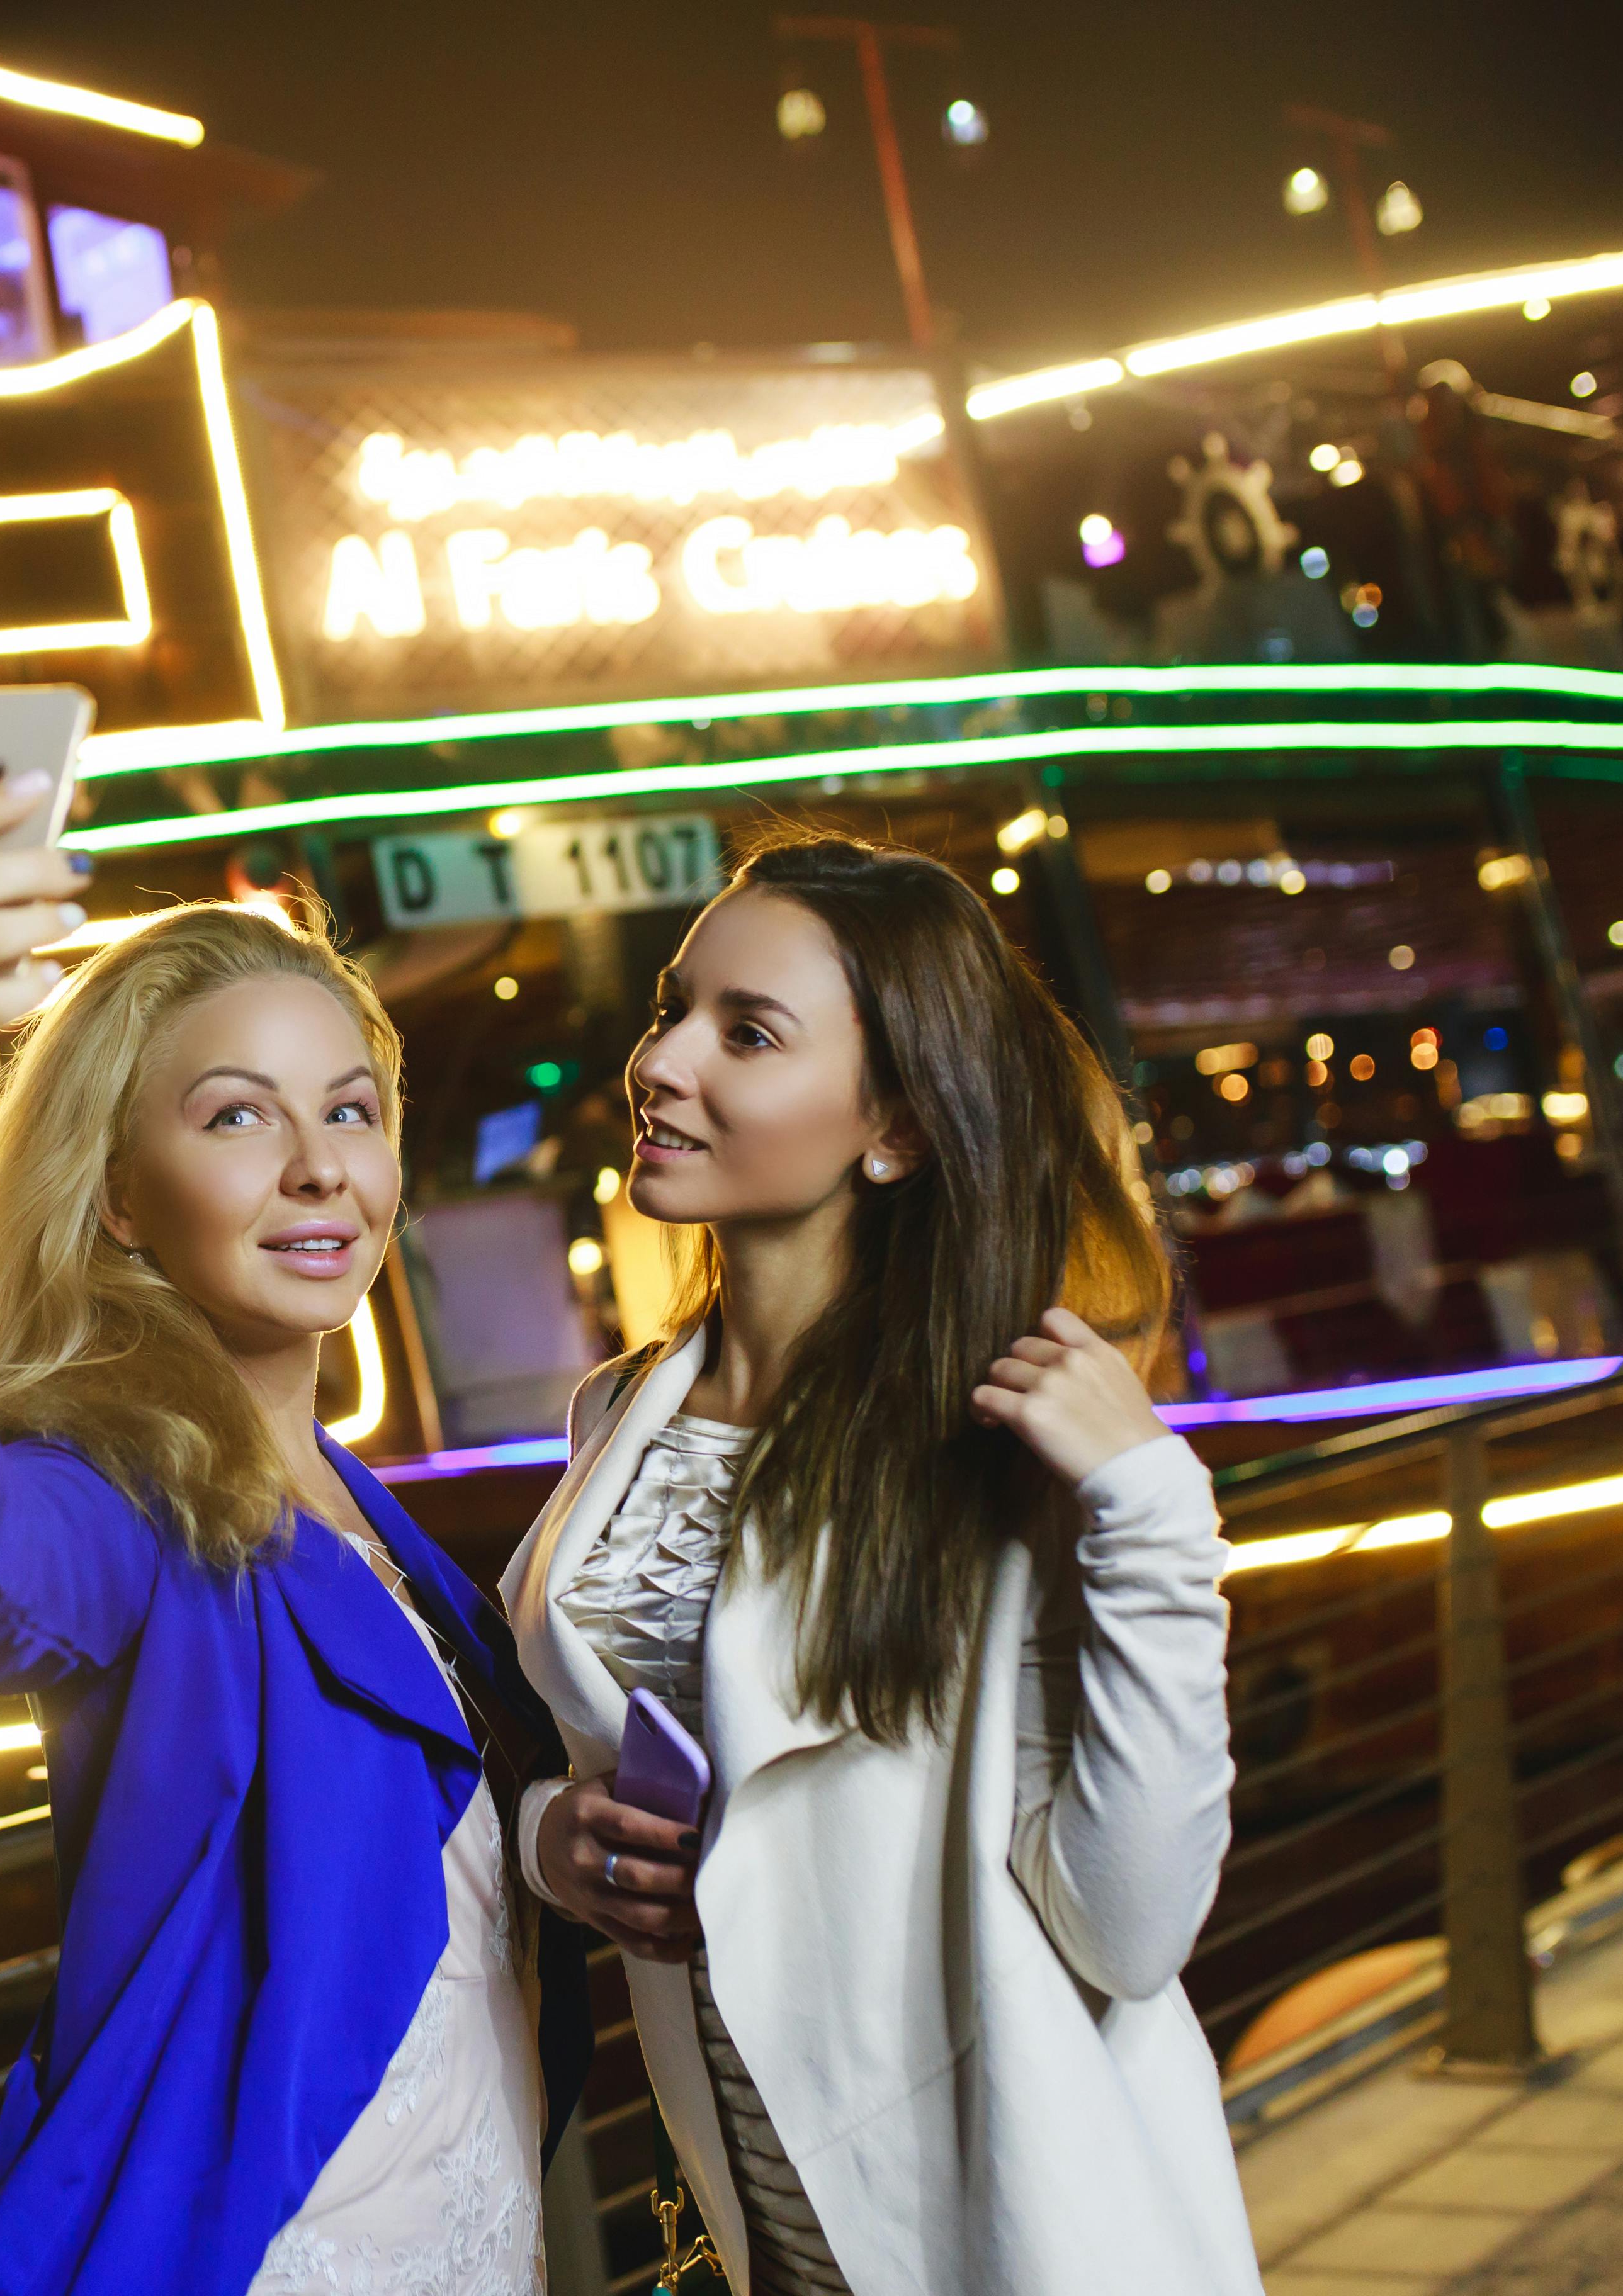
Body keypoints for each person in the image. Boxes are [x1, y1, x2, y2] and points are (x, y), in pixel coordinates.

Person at [0, 770, 589, 2296]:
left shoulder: (377, 1521)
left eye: (351, 1109)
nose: (318, 1167)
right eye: (236, 1119)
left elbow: (432, 1844)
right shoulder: (127, 1497)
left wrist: (557, 1845)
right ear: (124, 1200)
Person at [509, 827, 1258, 2295]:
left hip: (1015, 2230)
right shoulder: (621, 1415)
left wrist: (1157, 1514)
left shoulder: (1001, 1431)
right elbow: (603, 1774)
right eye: (675, 1008)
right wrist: (558, 1836)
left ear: (896, 1128)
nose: (663, 1063)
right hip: (761, 2224)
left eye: (749, 1032)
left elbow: (1130, 1924)